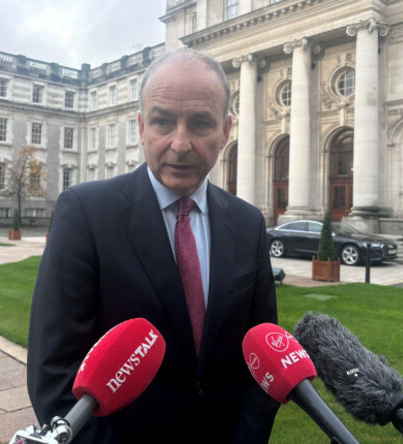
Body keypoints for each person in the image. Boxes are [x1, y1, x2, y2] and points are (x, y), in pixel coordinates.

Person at [27, 48, 279, 443]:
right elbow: (54, 374)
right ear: (142, 127)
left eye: (200, 123)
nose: (180, 143)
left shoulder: (249, 223)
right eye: (163, 121)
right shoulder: (85, 212)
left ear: (226, 130)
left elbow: (261, 362)